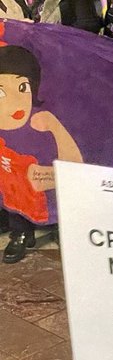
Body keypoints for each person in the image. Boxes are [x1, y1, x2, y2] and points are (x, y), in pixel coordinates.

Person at [0, 44, 83, 263]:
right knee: (11, 182)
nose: (16, 101)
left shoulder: (43, 120)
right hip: (14, 184)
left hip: (46, 182)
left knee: (52, 179)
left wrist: (55, 129)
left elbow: (73, 164)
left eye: (23, 88)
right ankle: (19, 230)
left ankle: (59, 225)